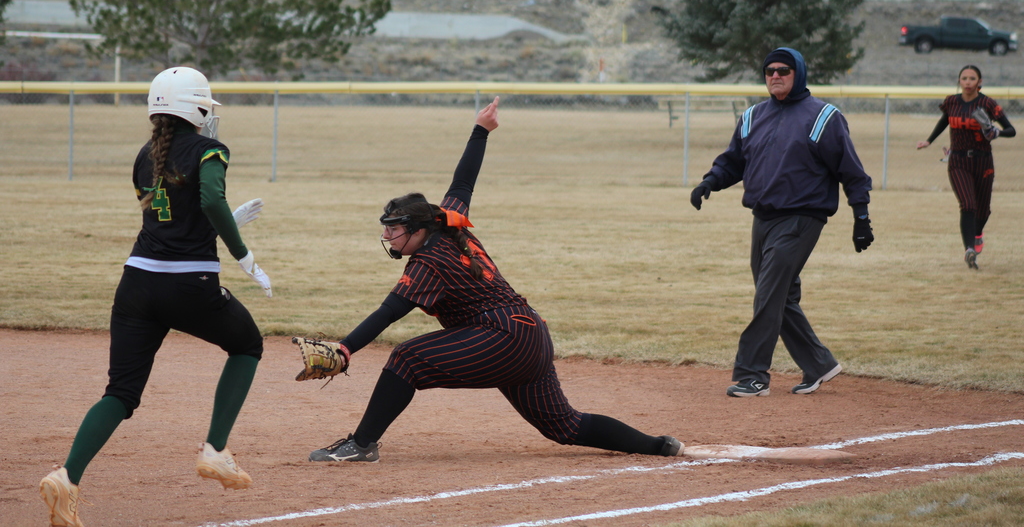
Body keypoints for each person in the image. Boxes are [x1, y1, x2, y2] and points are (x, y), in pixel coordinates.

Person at [304, 97, 684, 463]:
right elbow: (464, 180)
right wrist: (481, 130)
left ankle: (361, 445)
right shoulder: (447, 222)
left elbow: (388, 312)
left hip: (503, 338)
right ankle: (659, 446)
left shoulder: (428, 262)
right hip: (529, 335)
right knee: (564, 425)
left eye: (395, 228)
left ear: (418, 229)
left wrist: (346, 348)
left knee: (407, 359)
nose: (388, 236)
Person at [40, 67, 273, 527]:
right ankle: (216, 449)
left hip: (136, 283)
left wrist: (225, 220)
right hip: (189, 284)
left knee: (121, 393)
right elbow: (208, 200)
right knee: (247, 346)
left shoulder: (145, 155)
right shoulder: (211, 149)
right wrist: (243, 255)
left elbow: (171, 220)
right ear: (195, 108)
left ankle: (67, 476)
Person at [689, 48, 873, 398]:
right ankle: (819, 364)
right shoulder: (753, 116)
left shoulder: (823, 118)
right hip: (763, 217)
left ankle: (752, 375)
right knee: (779, 296)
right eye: (769, 70)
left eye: (784, 70)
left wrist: (861, 216)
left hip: (802, 217)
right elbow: (733, 161)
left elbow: (852, 172)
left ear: (798, 73)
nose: (775, 75)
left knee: (769, 294)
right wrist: (709, 182)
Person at [916, 64, 1015, 269]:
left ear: (980, 82)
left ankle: (977, 235)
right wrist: (929, 141)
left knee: (983, 210)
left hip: (983, 161)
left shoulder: (986, 103)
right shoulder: (952, 101)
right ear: (959, 81)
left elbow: (1011, 130)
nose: (968, 82)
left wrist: (996, 132)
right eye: (964, 78)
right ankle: (969, 250)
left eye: (972, 79)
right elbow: (945, 120)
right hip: (958, 161)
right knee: (968, 205)